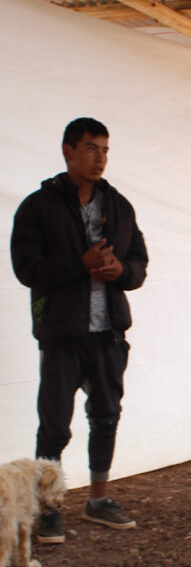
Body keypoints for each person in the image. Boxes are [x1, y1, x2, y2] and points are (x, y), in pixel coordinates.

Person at [11, 117, 149, 543]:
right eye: (91, 148)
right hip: (61, 334)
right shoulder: (38, 207)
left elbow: (140, 264)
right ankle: (48, 508)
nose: (100, 158)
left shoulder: (119, 206)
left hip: (108, 333)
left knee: (106, 416)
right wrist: (80, 264)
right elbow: (26, 269)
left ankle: (98, 500)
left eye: (105, 149)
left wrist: (120, 270)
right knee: (54, 425)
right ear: (68, 152)